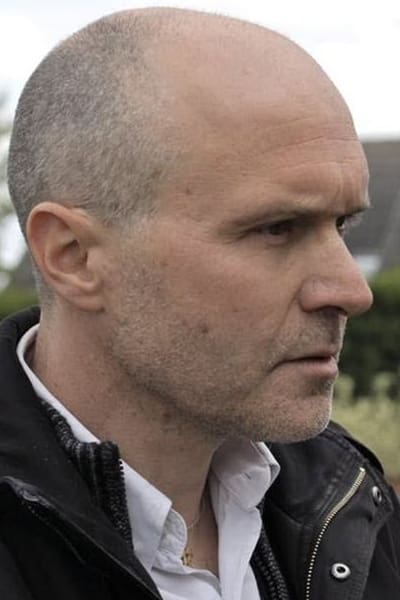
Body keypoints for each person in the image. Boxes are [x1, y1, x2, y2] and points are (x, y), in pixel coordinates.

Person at [2, 7, 399, 600]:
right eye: (277, 229)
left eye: (342, 226)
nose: (351, 290)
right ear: (73, 255)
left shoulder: (348, 507)